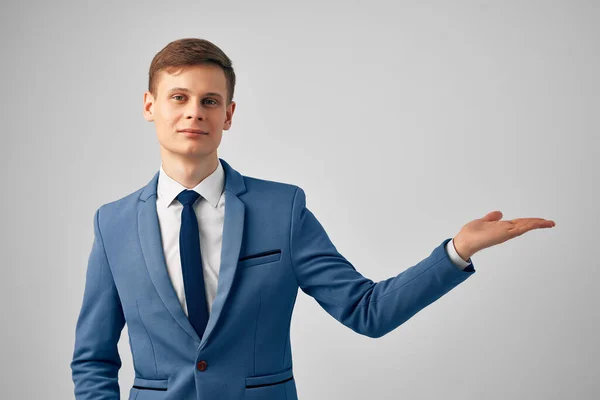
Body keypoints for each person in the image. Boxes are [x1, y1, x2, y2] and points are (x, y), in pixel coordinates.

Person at [70, 37, 556, 400]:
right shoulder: (111, 225)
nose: (194, 112)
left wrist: (457, 251)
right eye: (179, 97)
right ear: (150, 106)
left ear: (229, 114)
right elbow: (93, 359)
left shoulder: (282, 209)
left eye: (209, 101)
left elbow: (368, 311)